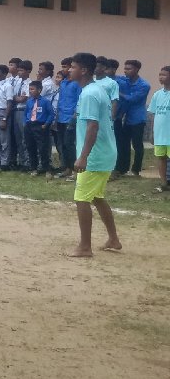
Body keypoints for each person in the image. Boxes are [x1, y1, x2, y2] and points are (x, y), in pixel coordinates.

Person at [67, 52, 120, 258]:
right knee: (97, 197)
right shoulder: (95, 90)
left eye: (73, 67)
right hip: (104, 152)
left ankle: (85, 247)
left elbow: (92, 127)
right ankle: (113, 239)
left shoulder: (90, 93)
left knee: (81, 198)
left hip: (96, 155)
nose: (69, 70)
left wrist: (83, 156)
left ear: (84, 70)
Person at [115, 60, 150, 177]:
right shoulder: (125, 80)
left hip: (138, 119)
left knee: (137, 145)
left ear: (136, 70)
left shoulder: (144, 85)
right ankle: (123, 168)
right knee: (124, 144)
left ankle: (136, 169)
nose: (125, 71)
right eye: (125, 69)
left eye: (129, 69)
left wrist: (117, 92)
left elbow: (132, 99)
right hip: (127, 118)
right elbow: (113, 77)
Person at [23, 80, 55, 177]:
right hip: (29, 126)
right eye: (29, 89)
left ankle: (46, 169)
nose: (30, 91)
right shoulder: (29, 102)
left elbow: (51, 114)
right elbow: (26, 113)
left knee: (42, 149)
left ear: (39, 90)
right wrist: (25, 123)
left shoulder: (45, 102)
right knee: (31, 147)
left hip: (40, 125)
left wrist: (46, 124)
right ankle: (34, 168)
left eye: (32, 89)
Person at [149, 66, 170, 193]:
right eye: (160, 74)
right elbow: (153, 114)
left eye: (164, 75)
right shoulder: (157, 94)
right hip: (160, 134)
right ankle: (163, 183)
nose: (161, 77)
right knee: (161, 158)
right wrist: (153, 132)